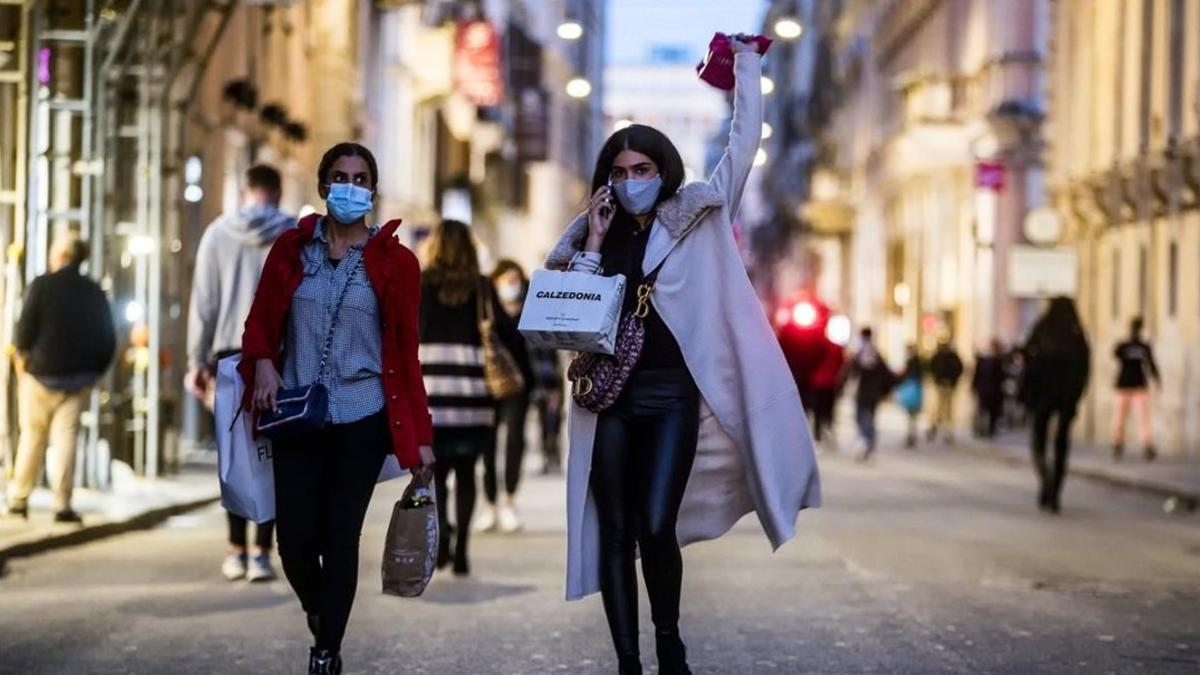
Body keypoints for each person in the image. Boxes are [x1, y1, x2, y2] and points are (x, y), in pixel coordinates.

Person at [544, 38, 820, 675]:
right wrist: (593, 237)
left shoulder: (697, 216)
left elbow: (742, 145)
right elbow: (573, 319)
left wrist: (746, 70)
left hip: (671, 396)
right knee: (612, 530)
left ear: (663, 170)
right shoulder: (592, 230)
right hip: (605, 398)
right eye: (620, 171)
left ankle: (667, 637)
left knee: (652, 523)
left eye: (642, 169)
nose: (631, 181)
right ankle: (627, 661)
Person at [239, 142, 434, 675]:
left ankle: (326, 651)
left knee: (339, 534)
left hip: (363, 415)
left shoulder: (397, 262)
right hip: (296, 410)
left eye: (361, 177)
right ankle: (321, 612)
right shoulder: (289, 249)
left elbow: (405, 352)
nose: (351, 186)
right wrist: (261, 362)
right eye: (341, 176)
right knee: (294, 542)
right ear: (323, 186)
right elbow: (260, 321)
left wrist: (420, 436)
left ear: (373, 188)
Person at [185, 164, 294, 583]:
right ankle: (262, 552)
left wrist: (197, 360)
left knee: (233, 455)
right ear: (277, 192)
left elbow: (204, 302)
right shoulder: (292, 235)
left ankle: (235, 550)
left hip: (230, 354)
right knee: (271, 454)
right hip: (281, 355)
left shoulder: (217, 233)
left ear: (244, 191)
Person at [418, 222, 528, 573]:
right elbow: (512, 337)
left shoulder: (419, 286)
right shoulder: (482, 288)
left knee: (436, 476)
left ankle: (443, 534)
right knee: (466, 473)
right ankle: (463, 546)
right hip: (473, 401)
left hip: (431, 399)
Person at [6, 234, 115, 522]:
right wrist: (94, 373)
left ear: (61, 256)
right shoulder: (94, 291)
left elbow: (23, 330)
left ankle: (19, 497)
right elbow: (108, 339)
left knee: (32, 436)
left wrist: (22, 363)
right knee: (66, 440)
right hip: (78, 381)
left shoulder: (41, 286)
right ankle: (61, 504)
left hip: (39, 376)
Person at [476, 260, 548, 533]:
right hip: (489, 382)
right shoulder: (485, 307)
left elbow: (544, 351)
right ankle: (490, 504)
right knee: (488, 444)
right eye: (505, 279)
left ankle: (509, 501)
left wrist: (549, 387)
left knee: (515, 440)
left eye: (515, 279)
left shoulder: (531, 307)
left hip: (521, 384)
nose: (510, 284)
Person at [1020, 296, 1090, 514]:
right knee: (1061, 444)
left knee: (1039, 440)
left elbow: (1027, 357)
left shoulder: (1042, 330)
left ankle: (1046, 480)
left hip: (1042, 395)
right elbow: (1084, 370)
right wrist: (1076, 397)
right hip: (1066, 397)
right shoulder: (1076, 335)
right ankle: (1055, 490)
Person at [838, 327, 896, 460]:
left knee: (862, 417)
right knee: (870, 418)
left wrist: (839, 387)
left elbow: (847, 372)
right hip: (874, 393)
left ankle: (864, 440)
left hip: (862, 392)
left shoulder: (859, 354)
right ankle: (869, 443)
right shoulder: (876, 354)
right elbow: (886, 374)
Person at [1111, 317, 1160, 461]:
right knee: (1119, 418)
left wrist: (1157, 379)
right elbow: (1115, 354)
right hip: (1124, 386)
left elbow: (1151, 364)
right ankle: (1117, 444)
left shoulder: (1143, 346)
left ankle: (1146, 445)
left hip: (1138, 386)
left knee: (1142, 418)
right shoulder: (1125, 345)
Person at [925, 339, 965, 443]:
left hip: (949, 386)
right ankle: (935, 426)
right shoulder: (938, 356)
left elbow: (959, 369)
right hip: (940, 385)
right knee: (938, 408)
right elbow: (932, 368)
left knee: (948, 409)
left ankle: (947, 431)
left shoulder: (953, 357)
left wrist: (952, 380)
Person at [972, 339, 1007, 438]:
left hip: (994, 390)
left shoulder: (1000, 360)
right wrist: (975, 386)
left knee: (992, 411)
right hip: (985, 389)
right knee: (982, 410)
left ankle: (990, 429)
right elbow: (977, 375)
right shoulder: (984, 360)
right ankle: (981, 429)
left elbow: (1002, 377)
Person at [897, 344, 924, 448]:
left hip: (912, 389)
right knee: (912, 415)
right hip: (914, 389)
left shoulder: (912, 362)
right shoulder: (915, 361)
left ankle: (911, 433)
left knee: (911, 414)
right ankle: (911, 433)